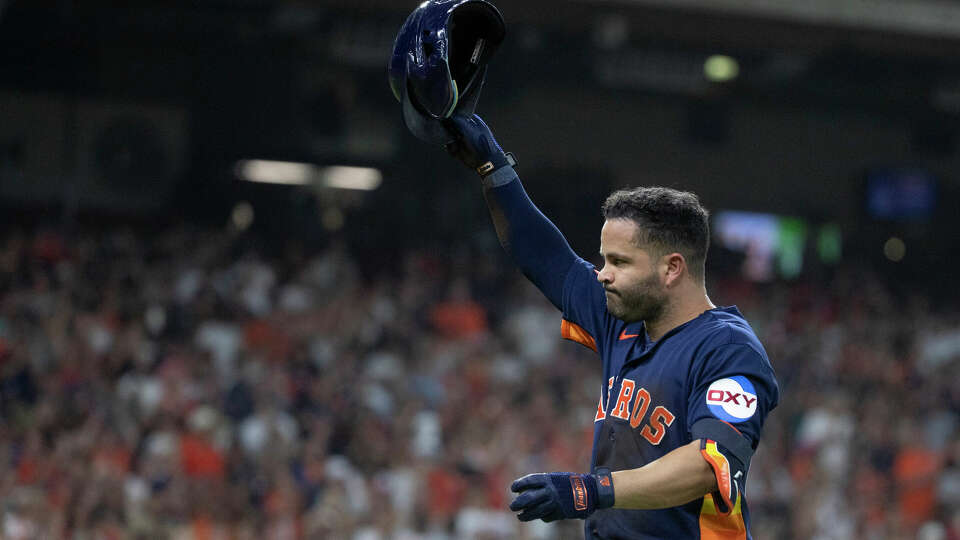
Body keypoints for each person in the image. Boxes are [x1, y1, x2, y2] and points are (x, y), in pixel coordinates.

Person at [440, 114, 780, 539]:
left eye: (619, 262)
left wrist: (591, 491)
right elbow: (544, 256)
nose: (603, 274)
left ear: (672, 268)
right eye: (604, 259)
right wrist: (493, 167)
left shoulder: (728, 348)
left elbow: (708, 466)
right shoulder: (623, 317)